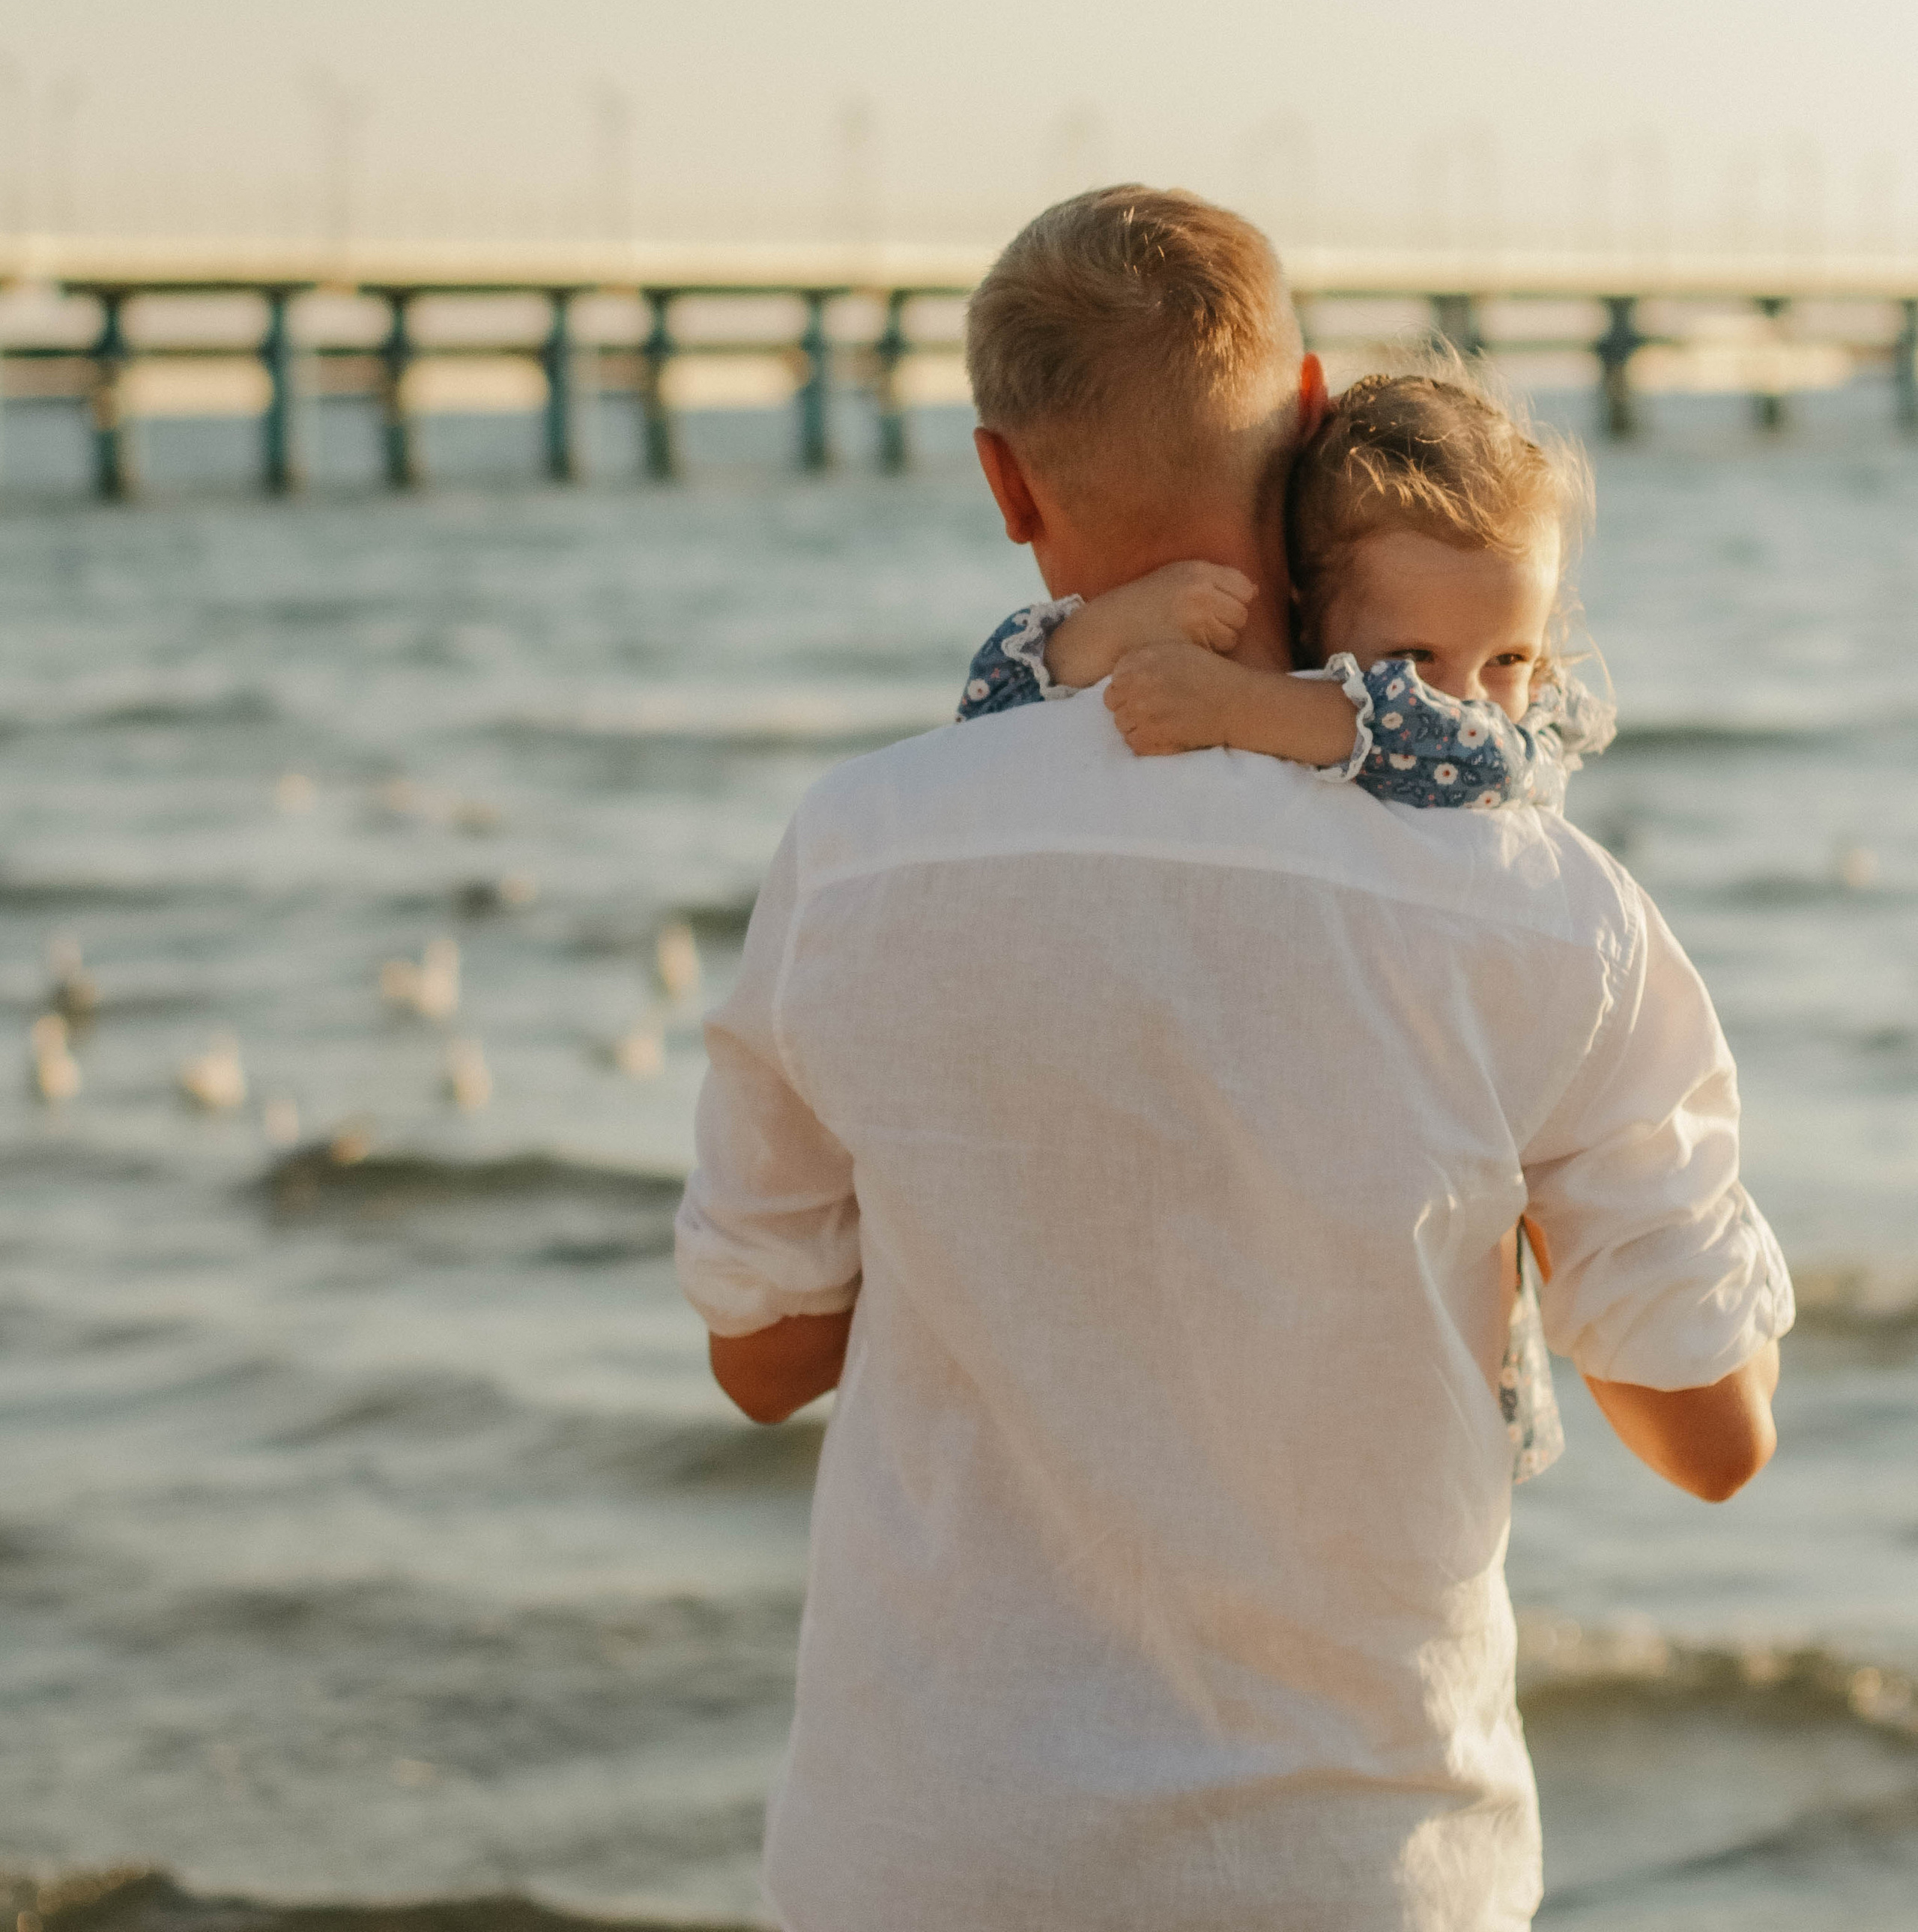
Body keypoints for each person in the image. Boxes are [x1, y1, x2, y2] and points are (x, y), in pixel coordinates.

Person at [674, 187, 1791, 1932]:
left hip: (925, 1856)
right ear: (1308, 406)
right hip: (1357, 1864)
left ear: (1004, 481)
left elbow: (760, 1357)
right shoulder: (1543, 912)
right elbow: (1708, 1439)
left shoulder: (858, 852)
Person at [955, 357, 1619, 1487]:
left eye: (1509, 657)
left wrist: (1248, 707)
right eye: (1412, 658)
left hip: (1422, 1182)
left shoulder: (1509, 742)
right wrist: (1102, 632)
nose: (1466, 692)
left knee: (1425, 1422)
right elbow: (985, 720)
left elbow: (1478, 752)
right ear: (1312, 621)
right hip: (1250, 1170)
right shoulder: (1310, 735)